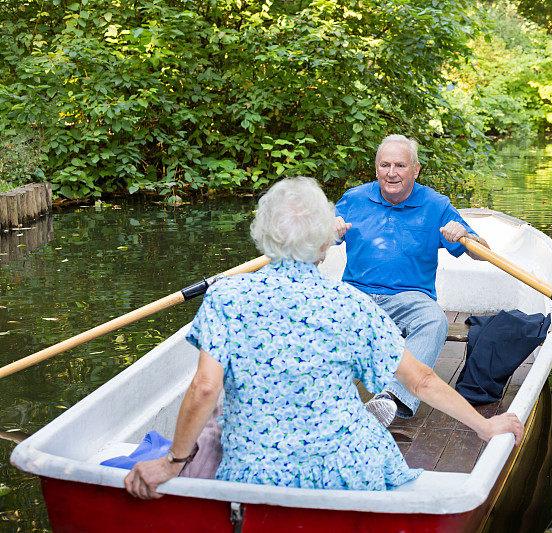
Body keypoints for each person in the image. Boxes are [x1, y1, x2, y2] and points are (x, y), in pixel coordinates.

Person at [124, 177, 522, 499]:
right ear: (322, 243)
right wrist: (484, 428)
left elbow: (205, 387)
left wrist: (172, 462)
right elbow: (422, 381)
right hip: (348, 470)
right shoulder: (351, 303)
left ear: (262, 235)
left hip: (257, 473)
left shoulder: (227, 296)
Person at [334, 135, 489, 427]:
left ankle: (391, 399)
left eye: (400, 166)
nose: (392, 173)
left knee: (435, 321)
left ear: (415, 170)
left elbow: (483, 254)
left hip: (411, 298)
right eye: (385, 165)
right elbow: (312, 243)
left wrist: (467, 237)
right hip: (357, 295)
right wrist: (328, 231)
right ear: (376, 168)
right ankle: (314, 395)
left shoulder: (436, 205)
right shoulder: (354, 199)